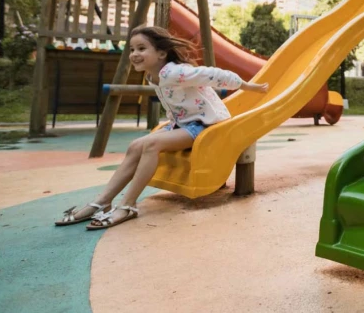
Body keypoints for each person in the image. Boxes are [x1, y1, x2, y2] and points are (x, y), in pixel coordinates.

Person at [55, 26, 268, 230]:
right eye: (132, 49)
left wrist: (250, 87)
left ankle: (128, 205)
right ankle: (102, 202)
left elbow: (215, 75)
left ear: (161, 53)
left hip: (206, 125)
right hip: (183, 124)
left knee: (151, 144)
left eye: (141, 48)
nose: (134, 54)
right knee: (136, 145)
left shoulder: (175, 72)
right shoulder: (152, 76)